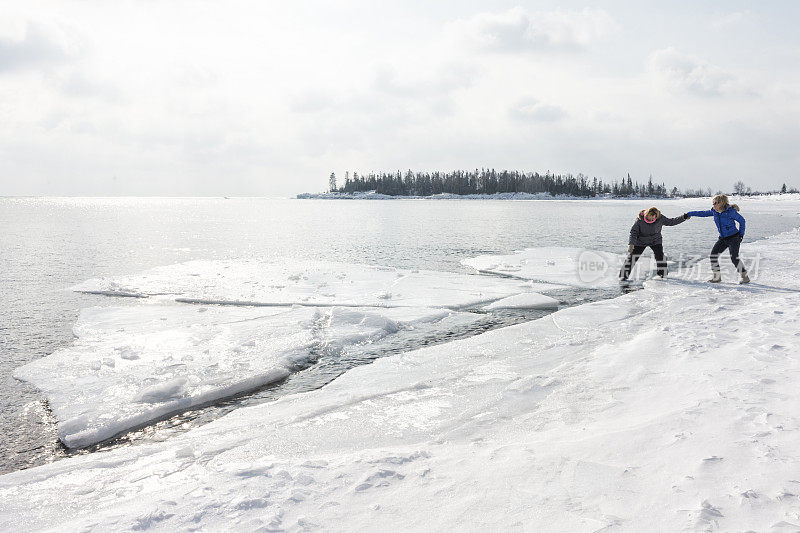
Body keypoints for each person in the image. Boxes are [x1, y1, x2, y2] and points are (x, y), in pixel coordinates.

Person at [687, 194, 750, 284]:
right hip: (723, 238)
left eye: (714, 203)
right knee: (713, 256)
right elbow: (702, 213)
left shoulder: (730, 212)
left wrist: (741, 235)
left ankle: (745, 277)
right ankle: (717, 278)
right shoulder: (714, 212)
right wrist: (689, 214)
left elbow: (742, 221)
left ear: (720, 203)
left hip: (734, 238)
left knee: (734, 258)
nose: (713, 205)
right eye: (713, 203)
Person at [620, 207, 689, 281]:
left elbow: (671, 222)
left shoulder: (660, 218)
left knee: (660, 256)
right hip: (641, 241)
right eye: (650, 217)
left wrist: (683, 218)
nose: (652, 219)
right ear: (647, 215)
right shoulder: (639, 220)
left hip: (655, 240)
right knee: (632, 257)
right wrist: (631, 244)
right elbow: (633, 232)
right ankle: (623, 276)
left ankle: (663, 273)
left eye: (654, 217)